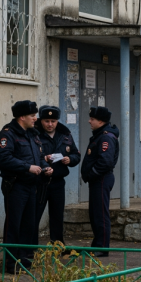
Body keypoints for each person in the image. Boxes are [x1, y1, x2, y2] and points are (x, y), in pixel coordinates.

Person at [0, 100, 52, 273]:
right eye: (32, 115)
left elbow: (39, 156)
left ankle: (25, 260)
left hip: (32, 186)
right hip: (16, 186)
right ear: (21, 117)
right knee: (14, 225)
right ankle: (11, 263)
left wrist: (44, 167)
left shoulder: (32, 134)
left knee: (29, 225)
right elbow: (4, 158)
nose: (35, 119)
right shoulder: (8, 134)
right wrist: (27, 167)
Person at [35, 106, 81, 247]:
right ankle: (31, 247)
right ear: (41, 120)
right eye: (46, 121)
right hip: (40, 182)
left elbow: (76, 154)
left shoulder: (65, 134)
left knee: (57, 217)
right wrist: (45, 160)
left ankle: (58, 246)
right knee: (34, 215)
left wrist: (70, 159)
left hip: (58, 182)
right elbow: (30, 157)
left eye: (53, 121)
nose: (50, 124)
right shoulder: (34, 134)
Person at [80, 107, 119, 256]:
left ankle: (102, 248)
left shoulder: (105, 137)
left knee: (101, 214)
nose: (89, 121)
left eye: (92, 119)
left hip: (101, 179)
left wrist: (91, 174)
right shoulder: (100, 135)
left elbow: (106, 162)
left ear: (101, 121)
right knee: (96, 214)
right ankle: (97, 244)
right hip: (98, 180)